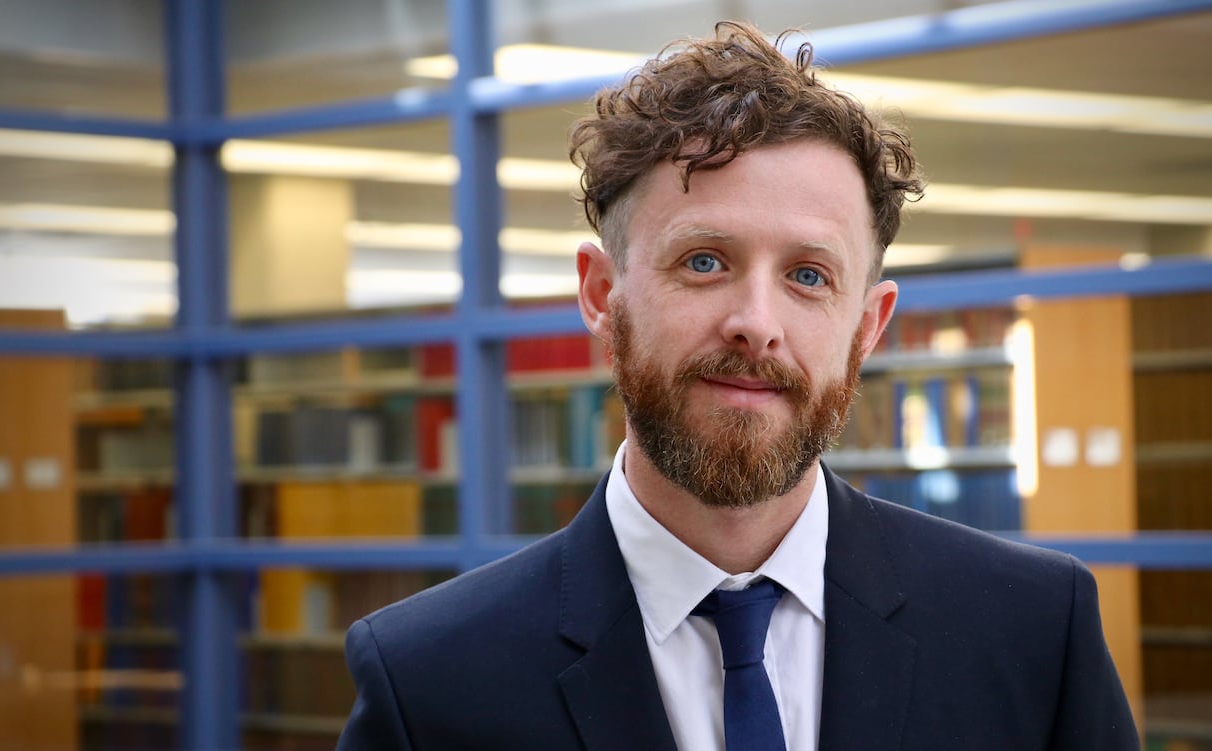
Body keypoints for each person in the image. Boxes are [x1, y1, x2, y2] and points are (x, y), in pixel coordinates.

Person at [338, 21, 1138, 750]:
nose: (757, 323)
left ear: (868, 324)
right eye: (705, 261)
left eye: (808, 274)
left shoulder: (1032, 632)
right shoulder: (428, 681)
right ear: (599, 295)